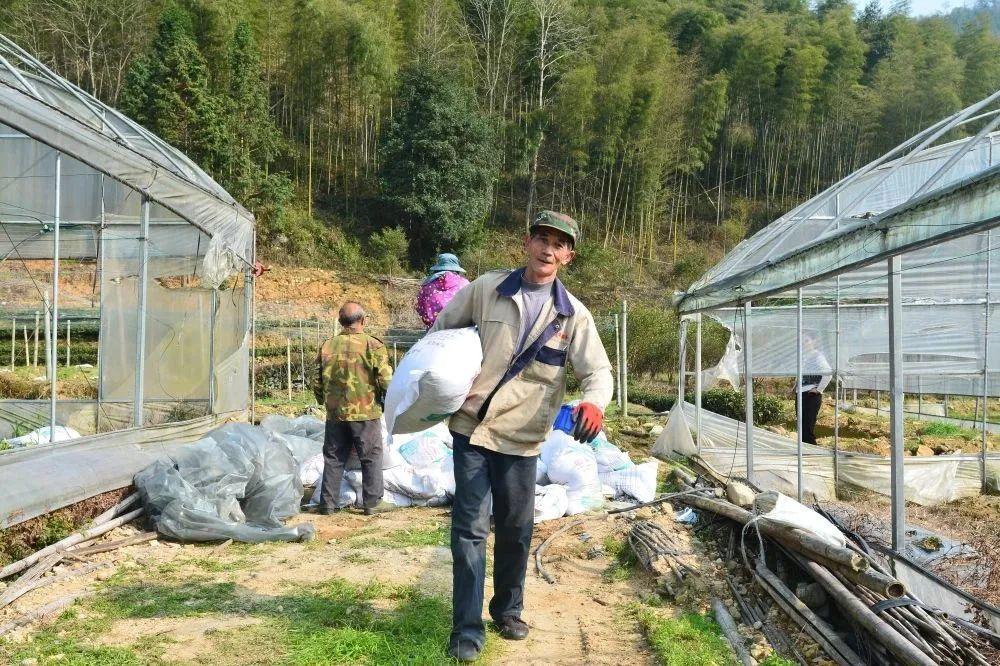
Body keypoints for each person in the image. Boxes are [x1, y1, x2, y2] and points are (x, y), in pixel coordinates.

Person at [429, 210, 613, 662]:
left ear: (568, 256)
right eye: (541, 238)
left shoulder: (573, 315)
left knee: (515, 529)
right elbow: (440, 333)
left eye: (558, 243)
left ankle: (507, 610)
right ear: (526, 243)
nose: (548, 249)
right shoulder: (487, 289)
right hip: (472, 428)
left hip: (523, 438)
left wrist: (595, 403)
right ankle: (466, 630)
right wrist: (435, 380)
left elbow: (599, 372)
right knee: (469, 531)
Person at [312, 302, 394, 516]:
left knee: (334, 457)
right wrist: (389, 400)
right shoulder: (373, 345)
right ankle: (372, 503)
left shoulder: (327, 345)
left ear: (340, 321)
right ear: (363, 320)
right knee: (371, 456)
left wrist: (324, 400)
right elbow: (385, 379)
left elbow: (316, 379)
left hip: (335, 412)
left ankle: (328, 504)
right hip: (365, 411)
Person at [416, 253, 471, 328]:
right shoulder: (465, 284)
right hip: (459, 329)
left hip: (434, 329)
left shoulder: (427, 285)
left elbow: (420, 309)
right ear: (456, 269)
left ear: (438, 267)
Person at [796, 334, 833, 445]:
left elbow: (828, 373)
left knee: (807, 426)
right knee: (801, 426)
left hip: (810, 395)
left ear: (814, 342)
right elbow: (800, 375)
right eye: (802, 341)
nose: (803, 343)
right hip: (801, 393)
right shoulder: (802, 356)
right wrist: (795, 387)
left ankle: (810, 452)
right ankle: (804, 453)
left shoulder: (817, 356)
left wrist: (818, 389)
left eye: (806, 340)